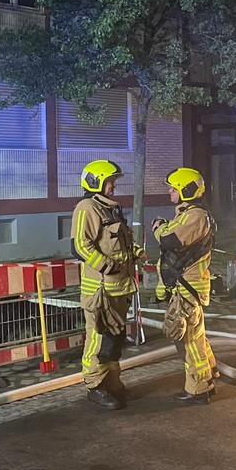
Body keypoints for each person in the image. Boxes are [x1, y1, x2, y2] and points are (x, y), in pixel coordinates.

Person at [72, 159, 142, 411]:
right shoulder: (86, 208)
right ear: (96, 182)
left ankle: (112, 383)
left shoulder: (110, 208)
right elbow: (80, 246)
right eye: (110, 181)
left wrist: (134, 251)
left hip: (119, 287)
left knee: (115, 338)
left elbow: (117, 242)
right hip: (99, 291)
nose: (114, 185)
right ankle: (95, 386)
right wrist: (106, 266)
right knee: (98, 339)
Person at [152, 167, 217, 405]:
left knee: (189, 340)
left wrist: (158, 227)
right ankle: (208, 376)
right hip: (187, 285)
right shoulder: (189, 214)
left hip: (188, 287)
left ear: (186, 190)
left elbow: (170, 240)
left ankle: (198, 388)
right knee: (194, 336)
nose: (170, 192)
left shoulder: (195, 216)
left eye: (173, 188)